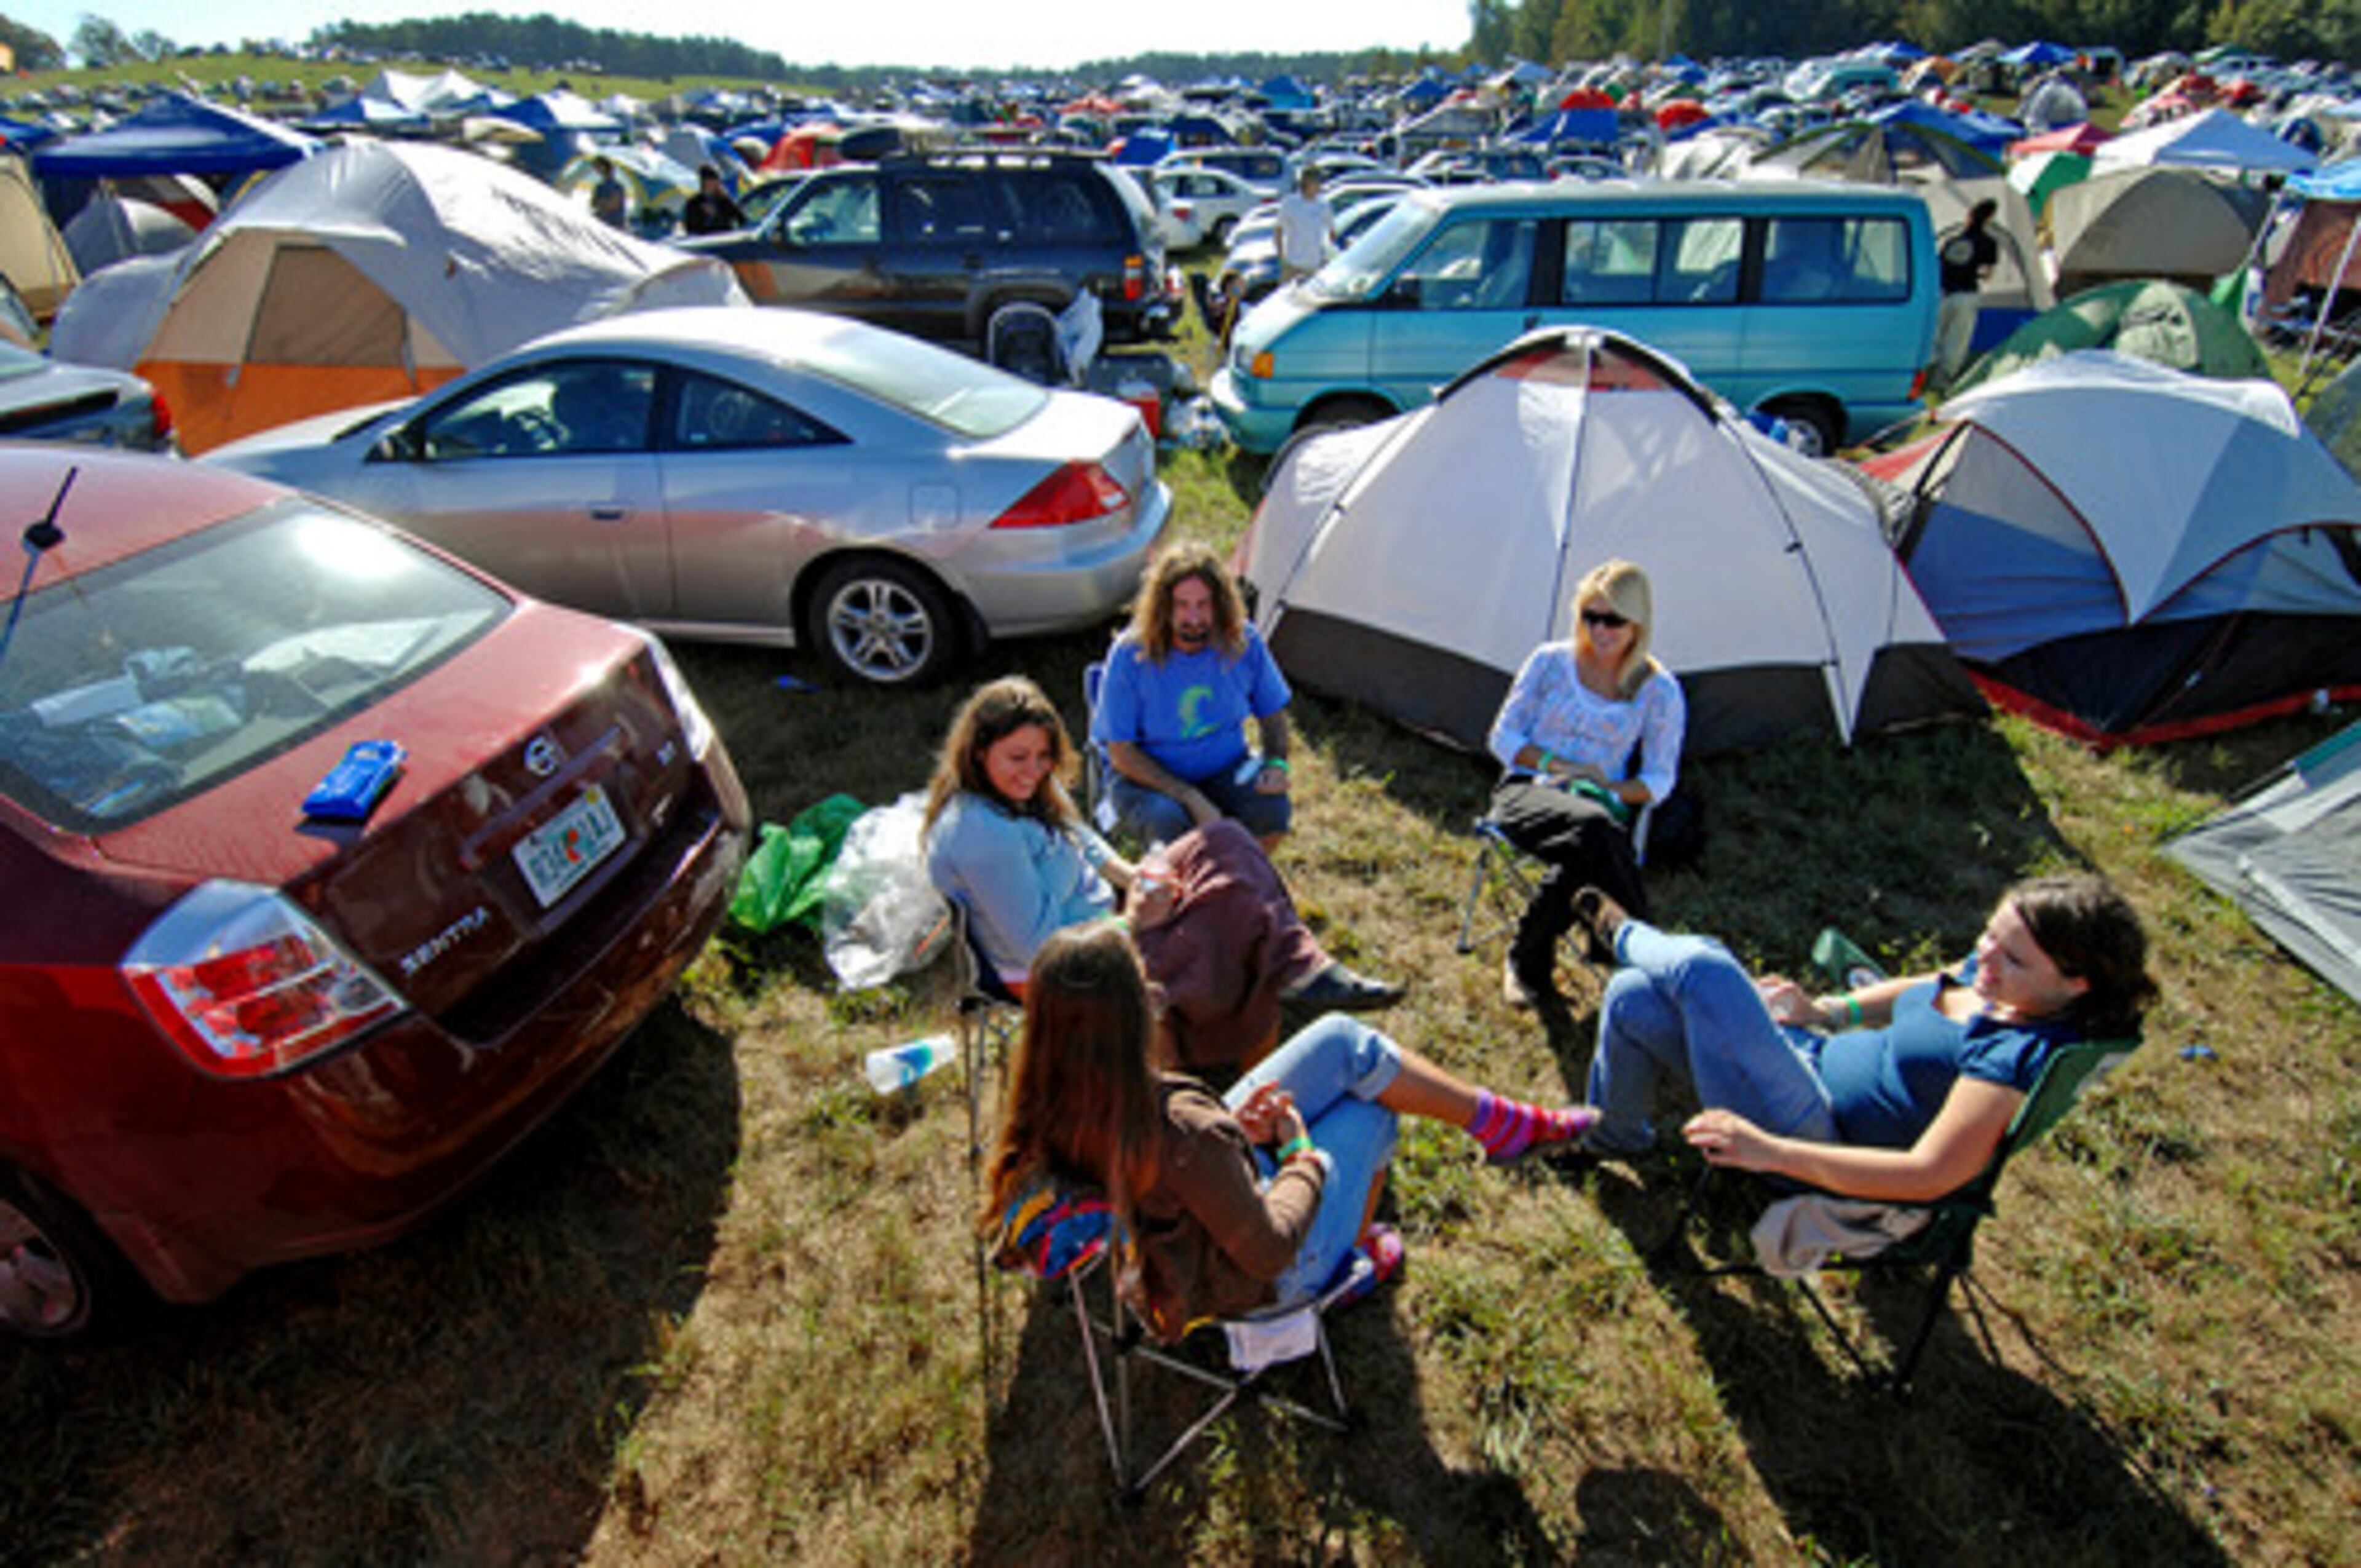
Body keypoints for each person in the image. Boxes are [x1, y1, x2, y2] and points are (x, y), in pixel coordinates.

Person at [979, 922, 1599, 1341]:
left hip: (1183, 1218)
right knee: (1372, 1112)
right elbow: (1269, 1248)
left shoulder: (1047, 1095)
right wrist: (1299, 1152)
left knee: (1342, 1042)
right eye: (1141, 980)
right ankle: (1343, 1269)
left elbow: (1171, 1168)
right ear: (1129, 1015)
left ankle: (1498, 1123)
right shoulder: (1178, 1125)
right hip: (1249, 1278)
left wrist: (1232, 1134)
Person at [1576, 874, 2156, 1200]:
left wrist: (1768, 1152)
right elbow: (1929, 983)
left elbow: (1930, 1174)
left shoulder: (2014, 1053)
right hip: (1807, 1058)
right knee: (1634, 995)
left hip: (1820, 1139)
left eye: (2013, 957)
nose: (1986, 957)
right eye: (1989, 935)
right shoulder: (1997, 977)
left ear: (2076, 983)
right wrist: (1826, 1010)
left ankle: (1621, 934)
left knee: (1707, 971)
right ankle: (1615, 1137)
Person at [925, 677, 1399, 1073]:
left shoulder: (1021, 791)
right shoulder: (982, 835)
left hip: (1105, 918)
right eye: (1018, 758)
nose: (1034, 770)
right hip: (1067, 970)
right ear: (979, 751)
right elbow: (1042, 951)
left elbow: (1083, 840)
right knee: (1232, 925)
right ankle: (1269, 1019)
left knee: (1224, 840)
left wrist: (1135, 877)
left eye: (1043, 755)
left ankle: (1299, 964)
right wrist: (1133, 921)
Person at [1487, 560, 1685, 1010]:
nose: (1599, 630)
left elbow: (1659, 779)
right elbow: (1503, 737)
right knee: (1598, 835)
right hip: (1528, 790)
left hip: (1599, 803)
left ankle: (1526, 959)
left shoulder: (1659, 689)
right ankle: (1646, 964)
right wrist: (1561, 766)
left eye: (1613, 620)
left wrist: (1608, 788)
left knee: (1591, 837)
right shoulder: (1550, 661)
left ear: (1638, 624)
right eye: (1590, 616)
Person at [1094, 545, 1295, 850]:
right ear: (1163, 607)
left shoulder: (1243, 642)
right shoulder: (1130, 655)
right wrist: (1189, 797)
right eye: (1182, 605)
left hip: (1228, 769)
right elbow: (1122, 753)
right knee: (1167, 819)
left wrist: (1277, 764)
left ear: (1221, 604)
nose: (1194, 617)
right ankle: (1186, 879)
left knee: (1273, 810)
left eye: (1204, 604)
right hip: (1150, 782)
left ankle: (1242, 872)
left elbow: (1274, 717)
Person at [1933, 199, 1999, 392]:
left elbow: (1940, 266)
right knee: (1956, 342)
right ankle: (1942, 383)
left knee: (1935, 338)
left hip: (1943, 293)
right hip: (1967, 295)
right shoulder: (1989, 243)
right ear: (1989, 219)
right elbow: (1987, 273)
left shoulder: (1952, 241)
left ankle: (1925, 378)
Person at [1276, 166, 1335, 283]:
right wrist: (1281, 257)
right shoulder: (1290, 203)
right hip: (1293, 266)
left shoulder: (1324, 205)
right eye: (1317, 181)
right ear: (1307, 182)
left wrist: (1327, 255)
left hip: (1314, 268)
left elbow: (1332, 231)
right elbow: (1279, 230)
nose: (1319, 185)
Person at [679, 164, 746, 235]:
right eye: (709, 180)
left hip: (724, 237)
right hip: (704, 239)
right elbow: (690, 227)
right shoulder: (693, 203)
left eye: (715, 180)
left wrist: (716, 214)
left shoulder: (724, 201)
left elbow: (740, 219)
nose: (713, 183)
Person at [589, 156, 629, 231]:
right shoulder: (600, 187)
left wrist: (601, 203)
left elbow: (612, 205)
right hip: (608, 222)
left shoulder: (615, 187)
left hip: (613, 224)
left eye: (597, 167)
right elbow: (593, 204)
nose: (595, 170)